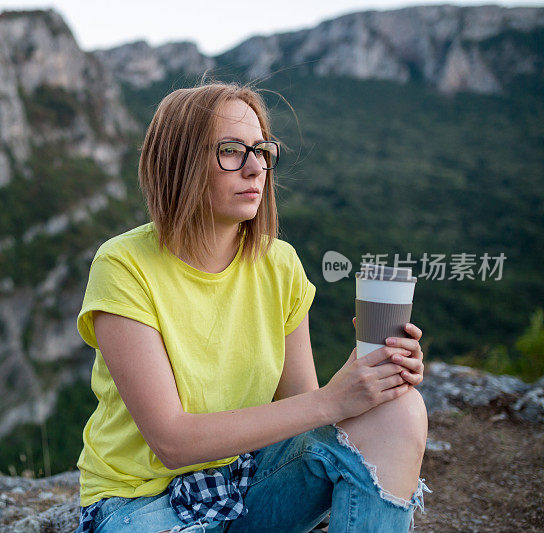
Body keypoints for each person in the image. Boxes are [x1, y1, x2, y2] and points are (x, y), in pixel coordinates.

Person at [74, 82, 431, 532]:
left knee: (399, 409)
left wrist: (369, 375)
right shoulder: (124, 265)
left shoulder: (279, 263)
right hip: (142, 503)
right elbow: (172, 442)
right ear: (179, 162)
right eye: (231, 150)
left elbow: (303, 409)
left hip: (247, 482)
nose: (255, 167)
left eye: (261, 150)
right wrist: (333, 399)